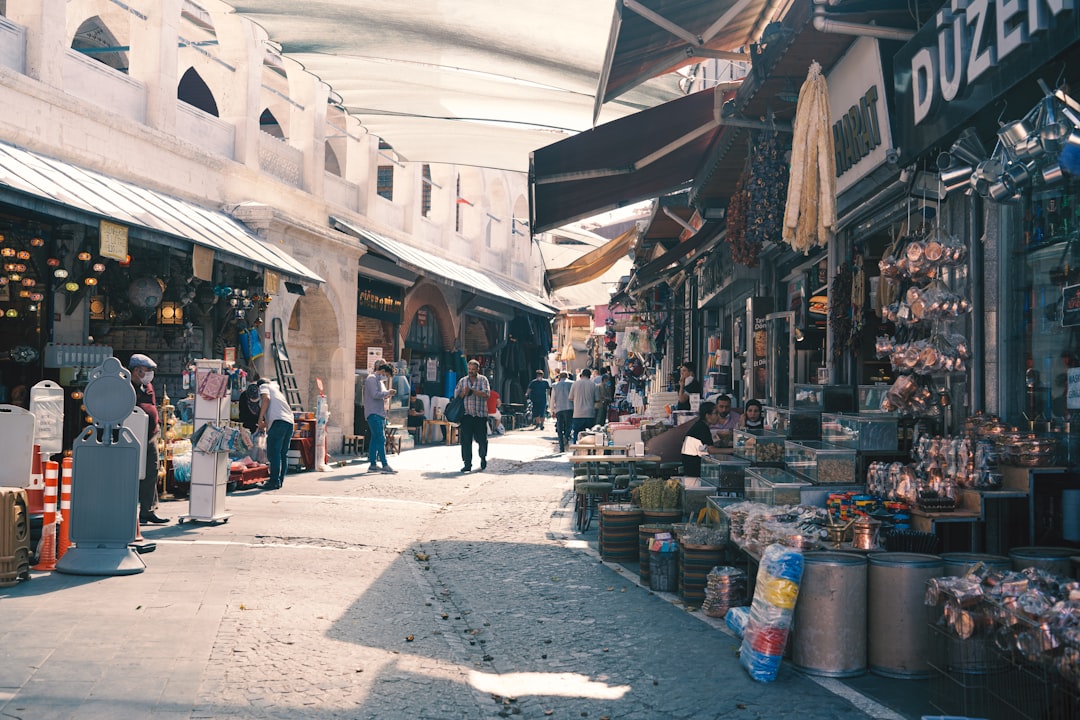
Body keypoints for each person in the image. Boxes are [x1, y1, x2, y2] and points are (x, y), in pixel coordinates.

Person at [129, 354, 168, 524]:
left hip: (150, 434)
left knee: (152, 471)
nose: (150, 374)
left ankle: (148, 510)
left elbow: (151, 405)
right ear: (137, 371)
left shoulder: (148, 386)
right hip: (132, 435)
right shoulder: (125, 386)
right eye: (147, 371)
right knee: (131, 473)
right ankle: (129, 509)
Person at [257, 377, 295, 489]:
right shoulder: (277, 391)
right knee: (283, 454)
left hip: (279, 423)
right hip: (289, 422)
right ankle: (279, 481)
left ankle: (274, 481)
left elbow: (266, 399)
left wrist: (260, 419)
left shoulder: (264, 387)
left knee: (274, 453)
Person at [454, 359, 490, 472]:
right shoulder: (462, 381)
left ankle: (483, 457)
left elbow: (486, 394)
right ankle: (467, 464)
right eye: (469, 369)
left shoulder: (483, 380)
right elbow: (456, 396)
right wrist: (464, 393)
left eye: (473, 369)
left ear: (478, 369)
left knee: (482, 440)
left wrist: (473, 391)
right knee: (466, 441)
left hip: (480, 416)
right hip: (466, 415)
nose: (471, 371)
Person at [363, 362, 397, 473]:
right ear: (382, 371)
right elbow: (375, 394)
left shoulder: (379, 381)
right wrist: (387, 392)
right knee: (381, 438)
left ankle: (373, 464)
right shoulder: (371, 379)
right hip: (373, 413)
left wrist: (387, 394)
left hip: (379, 412)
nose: (386, 377)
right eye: (386, 375)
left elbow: (380, 395)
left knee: (375, 439)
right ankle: (384, 464)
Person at [681, 401, 721, 477]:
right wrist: (734, 450)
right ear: (707, 416)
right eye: (716, 413)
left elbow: (703, 447)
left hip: (693, 466)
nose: (718, 416)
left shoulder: (700, 425)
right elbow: (710, 450)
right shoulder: (702, 428)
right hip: (695, 468)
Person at [569, 368, 599, 443]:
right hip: (590, 413)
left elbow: (570, 397)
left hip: (578, 413)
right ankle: (589, 452)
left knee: (577, 434)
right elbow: (597, 399)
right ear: (590, 376)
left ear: (581, 375)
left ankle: (576, 449)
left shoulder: (575, 384)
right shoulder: (593, 385)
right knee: (590, 435)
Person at [551, 371, 574, 452]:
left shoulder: (555, 385)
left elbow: (552, 399)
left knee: (559, 428)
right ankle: (566, 437)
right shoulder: (572, 383)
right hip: (569, 407)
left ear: (559, 377)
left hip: (559, 408)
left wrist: (552, 410)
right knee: (569, 426)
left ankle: (561, 447)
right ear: (567, 376)